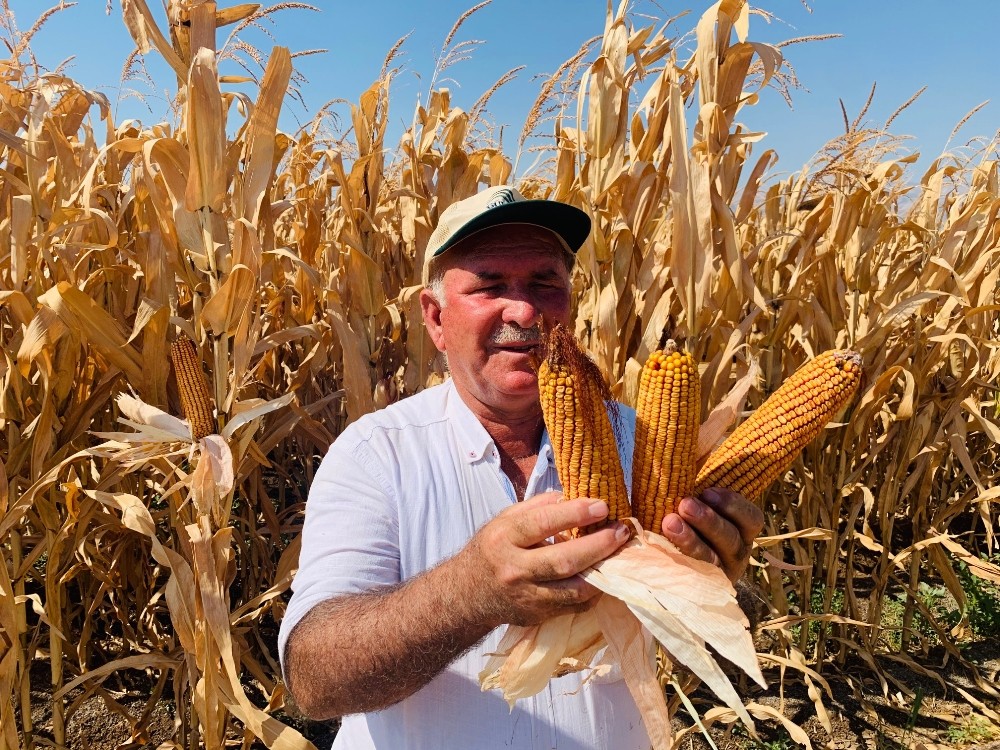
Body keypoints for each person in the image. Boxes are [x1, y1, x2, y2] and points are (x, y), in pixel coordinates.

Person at [278, 186, 765, 749]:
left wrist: (704, 571)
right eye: (489, 286)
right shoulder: (376, 455)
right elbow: (314, 679)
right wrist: (472, 593)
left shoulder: (643, 440)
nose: (525, 311)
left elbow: (678, 613)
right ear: (435, 318)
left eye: (544, 284)